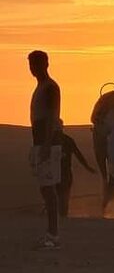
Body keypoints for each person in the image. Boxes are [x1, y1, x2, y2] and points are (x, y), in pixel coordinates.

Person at [28, 50, 63, 250]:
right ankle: (51, 232)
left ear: (45, 64)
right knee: (45, 187)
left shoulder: (50, 88)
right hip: (41, 142)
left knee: (48, 188)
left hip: (48, 142)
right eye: (31, 64)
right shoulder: (41, 87)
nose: (33, 68)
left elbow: (51, 117)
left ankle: (54, 234)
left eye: (36, 64)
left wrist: (48, 144)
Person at [57, 132, 96, 217]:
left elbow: (78, 154)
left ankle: (63, 216)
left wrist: (87, 167)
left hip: (65, 172)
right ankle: (59, 215)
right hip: (54, 172)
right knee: (58, 195)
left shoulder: (67, 140)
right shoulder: (49, 140)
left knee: (64, 195)